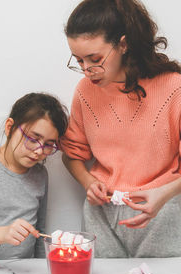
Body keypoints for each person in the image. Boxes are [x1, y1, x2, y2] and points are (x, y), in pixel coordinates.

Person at [60, 0, 181, 258]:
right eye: (79, 60)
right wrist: (88, 181)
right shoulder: (84, 91)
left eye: (94, 59)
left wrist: (164, 194)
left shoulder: (174, 88)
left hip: (162, 211)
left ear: (123, 44)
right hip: (100, 215)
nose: (87, 70)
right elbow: (72, 154)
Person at [0, 93, 68, 259]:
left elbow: (40, 233)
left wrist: (44, 267)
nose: (39, 151)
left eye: (49, 145)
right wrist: (0, 234)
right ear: (9, 127)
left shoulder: (40, 174)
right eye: (33, 139)